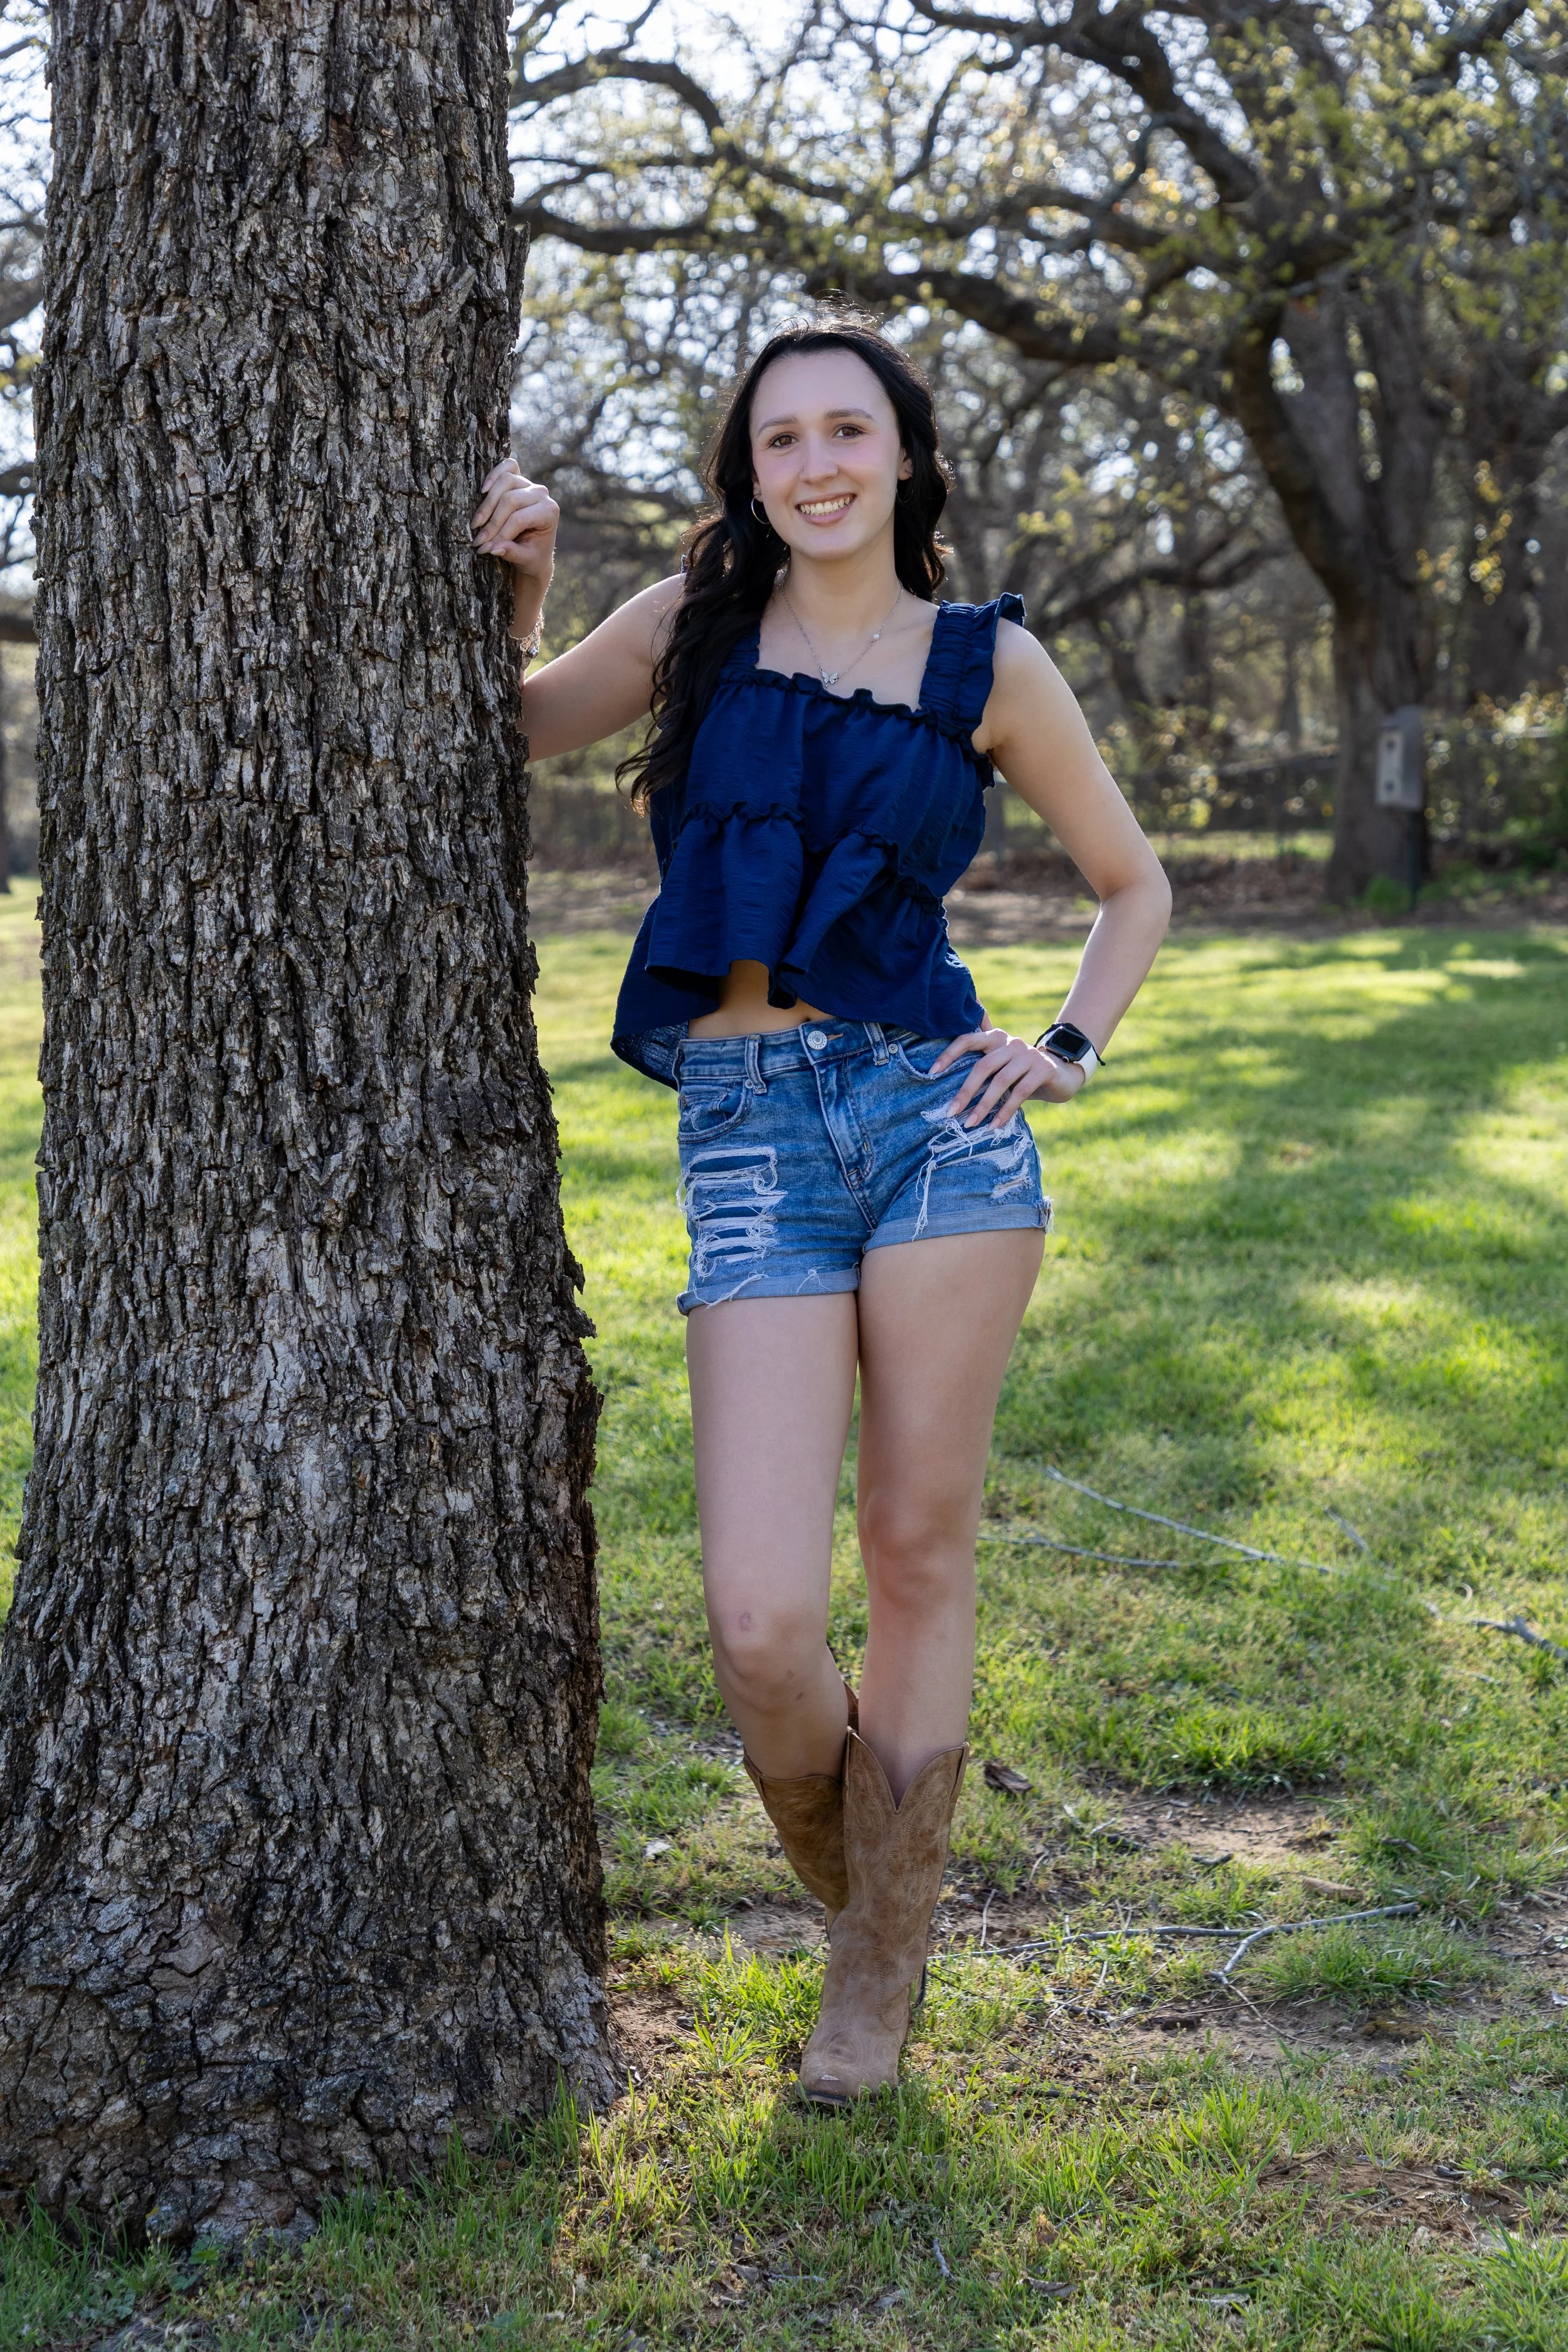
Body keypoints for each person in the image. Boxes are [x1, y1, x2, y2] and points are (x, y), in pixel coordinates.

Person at [472, 315, 1170, 2104]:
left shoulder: (985, 661)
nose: (814, 465)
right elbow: (509, 728)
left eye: (846, 429)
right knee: (765, 1622)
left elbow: (1128, 880)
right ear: (750, 471)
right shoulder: (695, 623)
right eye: (780, 439)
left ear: (907, 459)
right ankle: (885, 1896)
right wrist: (529, 583)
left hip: (937, 1116)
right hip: (750, 1125)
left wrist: (1069, 1047)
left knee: (918, 1552)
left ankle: (870, 1981)